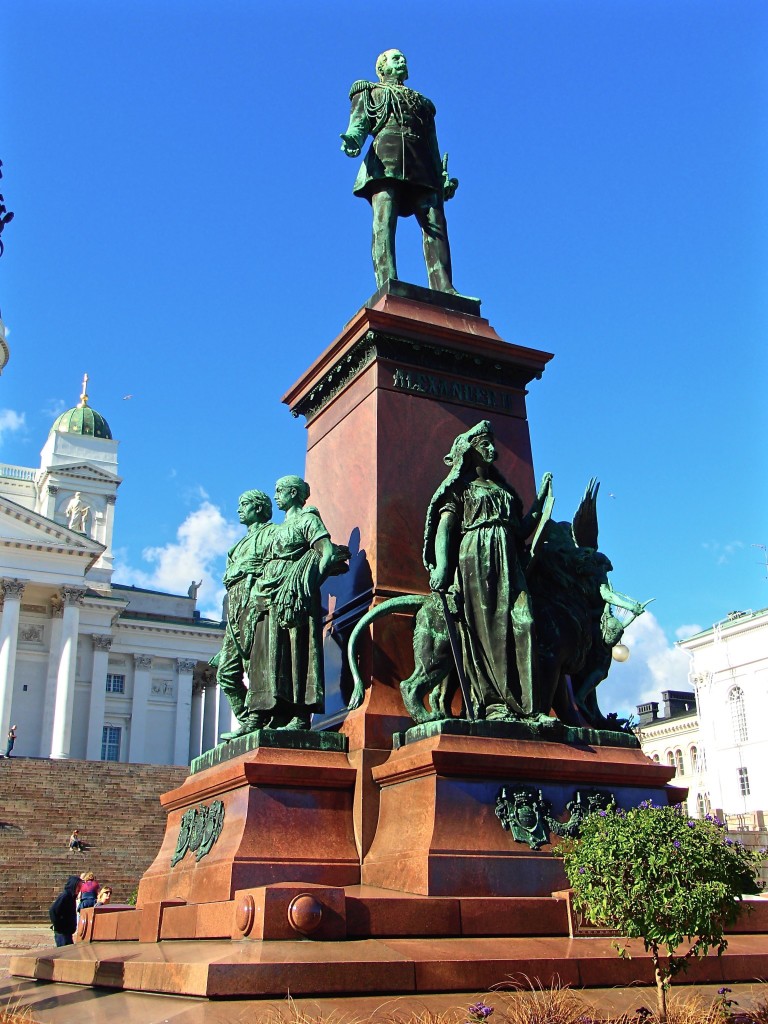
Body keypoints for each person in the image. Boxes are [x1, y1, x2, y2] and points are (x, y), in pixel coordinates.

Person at [423, 421, 552, 721]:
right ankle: (495, 704)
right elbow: (445, 528)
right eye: (485, 445)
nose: (492, 450)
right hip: (476, 558)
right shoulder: (461, 488)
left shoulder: (503, 490)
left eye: (492, 444)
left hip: (509, 560)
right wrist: (443, 566)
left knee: (525, 622)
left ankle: (533, 709)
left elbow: (520, 530)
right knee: (490, 631)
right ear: (472, 451)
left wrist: (540, 500)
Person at [341, 49, 459, 293]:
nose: (402, 61)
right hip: (386, 159)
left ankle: (444, 287)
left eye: (403, 58)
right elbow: (359, 123)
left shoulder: (424, 104)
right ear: (381, 68)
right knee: (384, 220)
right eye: (395, 59)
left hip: (421, 163)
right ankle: (387, 280)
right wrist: (353, 139)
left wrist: (441, 176)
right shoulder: (370, 91)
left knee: (435, 223)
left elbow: (432, 144)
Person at [216, 490, 276, 738]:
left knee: (255, 666)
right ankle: (248, 720)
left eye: (245, 505)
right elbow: (227, 576)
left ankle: (256, 719)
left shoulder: (272, 534)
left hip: (256, 604)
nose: (239, 509)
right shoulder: (236, 547)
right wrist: (240, 569)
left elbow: (274, 564)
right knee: (226, 672)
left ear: (260, 508)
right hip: (234, 607)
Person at [49, 875, 79, 946]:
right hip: (62, 933)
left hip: (67, 932)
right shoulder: (65, 896)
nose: (79, 889)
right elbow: (53, 910)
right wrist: (58, 926)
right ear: (73, 885)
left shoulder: (71, 897)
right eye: (78, 886)